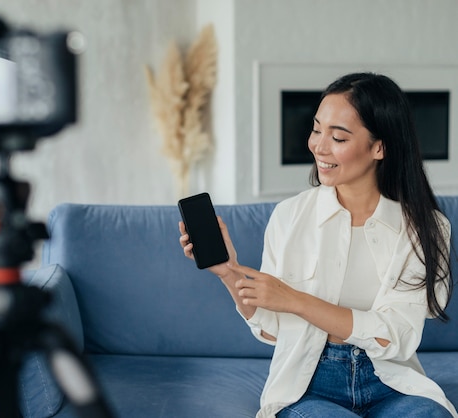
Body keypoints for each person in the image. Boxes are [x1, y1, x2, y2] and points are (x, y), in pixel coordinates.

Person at [179, 72, 457, 417]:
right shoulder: (290, 216)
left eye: (338, 136)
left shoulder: (426, 228)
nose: (319, 146)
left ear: (379, 147)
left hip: (392, 383)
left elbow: (397, 336)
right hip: (309, 384)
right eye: (316, 129)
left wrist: (296, 300)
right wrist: (229, 272)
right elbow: (272, 327)